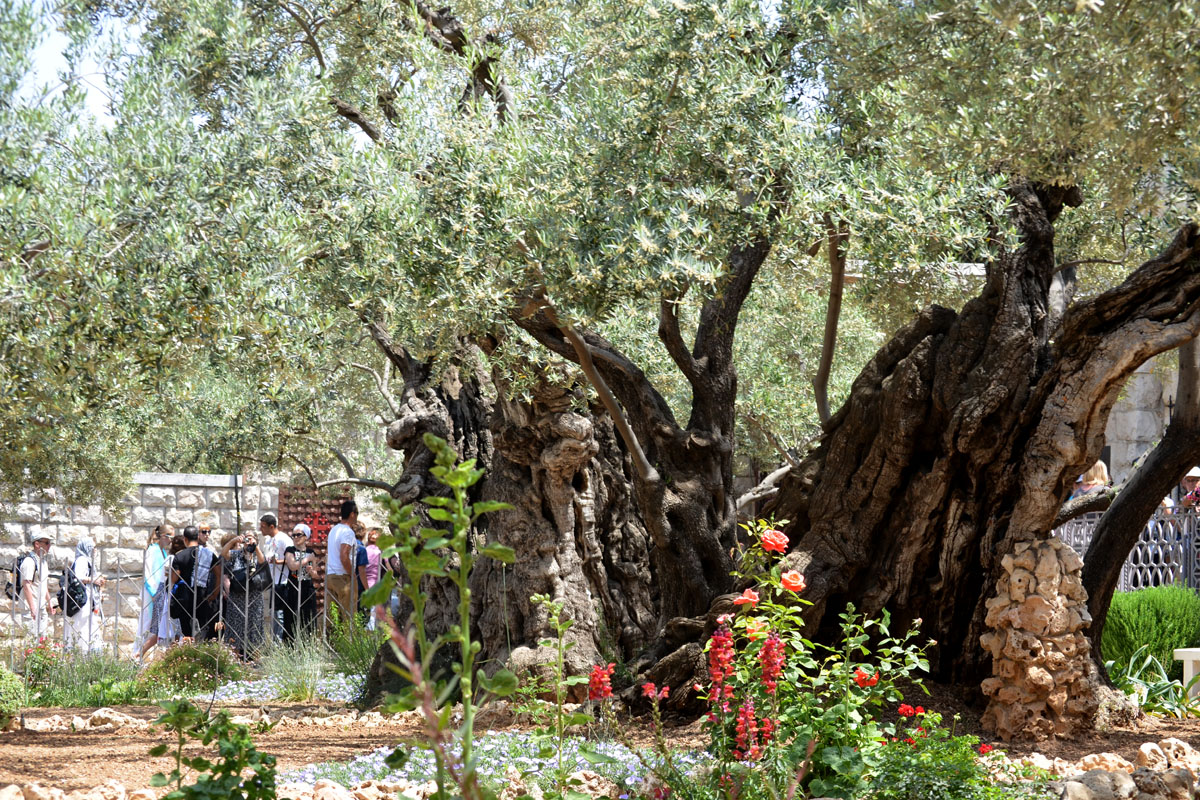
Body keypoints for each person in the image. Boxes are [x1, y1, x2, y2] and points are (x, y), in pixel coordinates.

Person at [221, 531, 268, 659]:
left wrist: (255, 546)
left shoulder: (258, 554)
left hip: (254, 597)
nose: (248, 541)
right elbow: (224, 553)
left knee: (255, 628)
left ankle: (254, 661)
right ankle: (235, 660)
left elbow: (262, 561)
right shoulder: (236, 555)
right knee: (236, 629)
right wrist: (233, 541)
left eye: (251, 538)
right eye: (246, 538)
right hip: (237, 596)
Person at [171, 525, 221, 640]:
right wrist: (214, 593)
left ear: (185, 539)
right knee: (204, 626)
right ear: (198, 537)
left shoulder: (180, 555)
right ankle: (202, 649)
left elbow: (174, 578)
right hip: (202, 595)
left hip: (184, 597)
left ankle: (187, 653)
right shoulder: (208, 554)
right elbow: (219, 574)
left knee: (186, 631)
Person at [65, 537, 105, 652]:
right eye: (93, 548)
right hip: (81, 602)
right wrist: (94, 580)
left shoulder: (87, 561)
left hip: (87, 602)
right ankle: (81, 654)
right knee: (81, 628)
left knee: (89, 627)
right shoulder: (82, 560)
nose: (95, 550)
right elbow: (78, 576)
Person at [139, 525, 173, 658]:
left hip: (160, 592)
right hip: (152, 592)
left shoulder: (163, 552)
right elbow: (148, 573)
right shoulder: (152, 550)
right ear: (163, 536)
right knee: (146, 623)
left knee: (155, 625)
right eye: (170, 536)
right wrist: (154, 592)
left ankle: (144, 655)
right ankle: (137, 652)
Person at [324, 500, 359, 629]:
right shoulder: (348, 532)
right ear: (352, 514)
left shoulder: (334, 530)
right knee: (349, 618)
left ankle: (326, 645)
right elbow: (344, 556)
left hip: (331, 575)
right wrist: (352, 575)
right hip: (343, 577)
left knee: (331, 617)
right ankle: (350, 646)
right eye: (357, 513)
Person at [283, 524, 318, 641]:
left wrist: (311, 571)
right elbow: (292, 566)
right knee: (291, 619)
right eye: (294, 535)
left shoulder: (311, 551)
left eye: (299, 535)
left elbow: (315, 574)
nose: (296, 537)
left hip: (307, 588)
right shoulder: (290, 550)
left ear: (306, 537)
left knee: (308, 619)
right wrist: (307, 559)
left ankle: (307, 644)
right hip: (293, 588)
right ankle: (290, 646)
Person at [260, 514, 292, 640]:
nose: (261, 529)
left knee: (279, 614)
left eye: (263, 526)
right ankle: (274, 641)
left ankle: (278, 642)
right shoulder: (268, 541)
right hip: (273, 581)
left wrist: (277, 561)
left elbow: (291, 558)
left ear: (271, 526)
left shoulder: (284, 539)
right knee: (274, 612)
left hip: (283, 581)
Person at [19, 532, 55, 637]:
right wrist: (32, 608)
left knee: (42, 638)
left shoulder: (43, 562)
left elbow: (43, 584)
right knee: (31, 639)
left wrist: (49, 602)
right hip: (31, 606)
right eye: (47, 543)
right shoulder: (29, 562)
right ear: (37, 544)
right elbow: (26, 585)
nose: (49, 546)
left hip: (41, 605)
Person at [364, 528, 383, 629]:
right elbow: (388, 567)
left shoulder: (364, 550)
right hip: (376, 584)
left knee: (364, 611)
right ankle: (371, 635)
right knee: (373, 613)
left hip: (364, 583)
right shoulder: (379, 552)